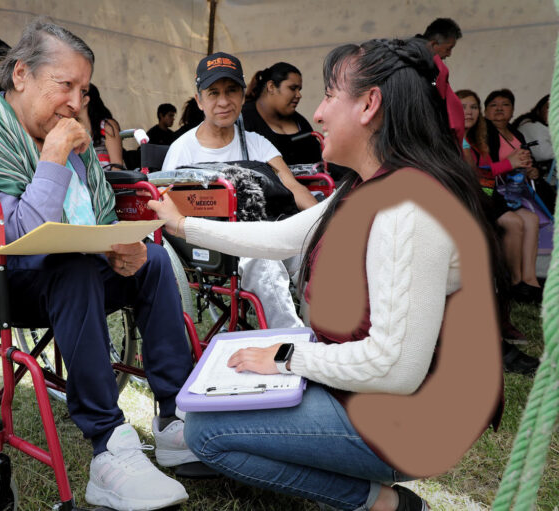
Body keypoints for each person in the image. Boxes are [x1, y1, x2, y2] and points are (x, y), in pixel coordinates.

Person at [150, 37, 503, 511]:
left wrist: (285, 356)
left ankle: (380, 501)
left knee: (206, 433)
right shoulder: (370, 184)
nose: (315, 112)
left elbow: (394, 368)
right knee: (211, 410)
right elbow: (287, 235)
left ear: (369, 105)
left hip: (410, 418)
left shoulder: (408, 208)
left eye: (329, 95)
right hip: (373, 394)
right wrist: (184, 225)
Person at [0, 21, 194, 511]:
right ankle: (109, 448)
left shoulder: (67, 140)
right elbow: (20, 238)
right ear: (20, 74)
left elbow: (96, 220)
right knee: (74, 270)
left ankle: (174, 420)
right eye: (65, 85)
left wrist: (118, 247)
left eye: (83, 90)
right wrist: (53, 157)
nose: (76, 102)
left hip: (54, 273)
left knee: (150, 261)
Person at [163, 51, 318, 329]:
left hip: (266, 231)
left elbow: (293, 187)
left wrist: (324, 222)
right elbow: (166, 209)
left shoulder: (258, 144)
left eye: (231, 90)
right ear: (199, 100)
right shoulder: (182, 150)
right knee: (261, 256)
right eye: (213, 93)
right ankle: (291, 344)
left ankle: (325, 333)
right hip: (208, 245)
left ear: (243, 95)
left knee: (313, 251)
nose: (223, 101)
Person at [457, 89, 541, 374]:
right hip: (470, 205)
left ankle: (520, 284)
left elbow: (484, 176)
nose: (468, 112)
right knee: (509, 228)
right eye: (462, 106)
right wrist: (510, 164)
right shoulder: (453, 138)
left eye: (472, 107)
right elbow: (473, 176)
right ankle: (511, 288)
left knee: (523, 221)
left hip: (486, 200)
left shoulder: (479, 139)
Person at [480, 88, 543, 302]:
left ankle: (530, 279)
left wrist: (530, 170)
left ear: (513, 110)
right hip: (492, 191)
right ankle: (515, 281)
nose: (499, 109)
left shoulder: (516, 134)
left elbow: (523, 162)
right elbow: (483, 169)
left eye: (505, 104)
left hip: (513, 192)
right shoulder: (484, 132)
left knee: (532, 219)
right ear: (485, 111)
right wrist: (511, 163)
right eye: (493, 105)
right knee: (516, 222)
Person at [242, 62, 322, 165]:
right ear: (271, 87)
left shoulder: (300, 122)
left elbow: (317, 163)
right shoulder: (244, 118)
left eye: (299, 90)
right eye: (293, 88)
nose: (299, 95)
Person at [78, 83, 124, 169]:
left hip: (107, 180)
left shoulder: (107, 126)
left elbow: (116, 165)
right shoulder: (70, 127)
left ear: (85, 100)